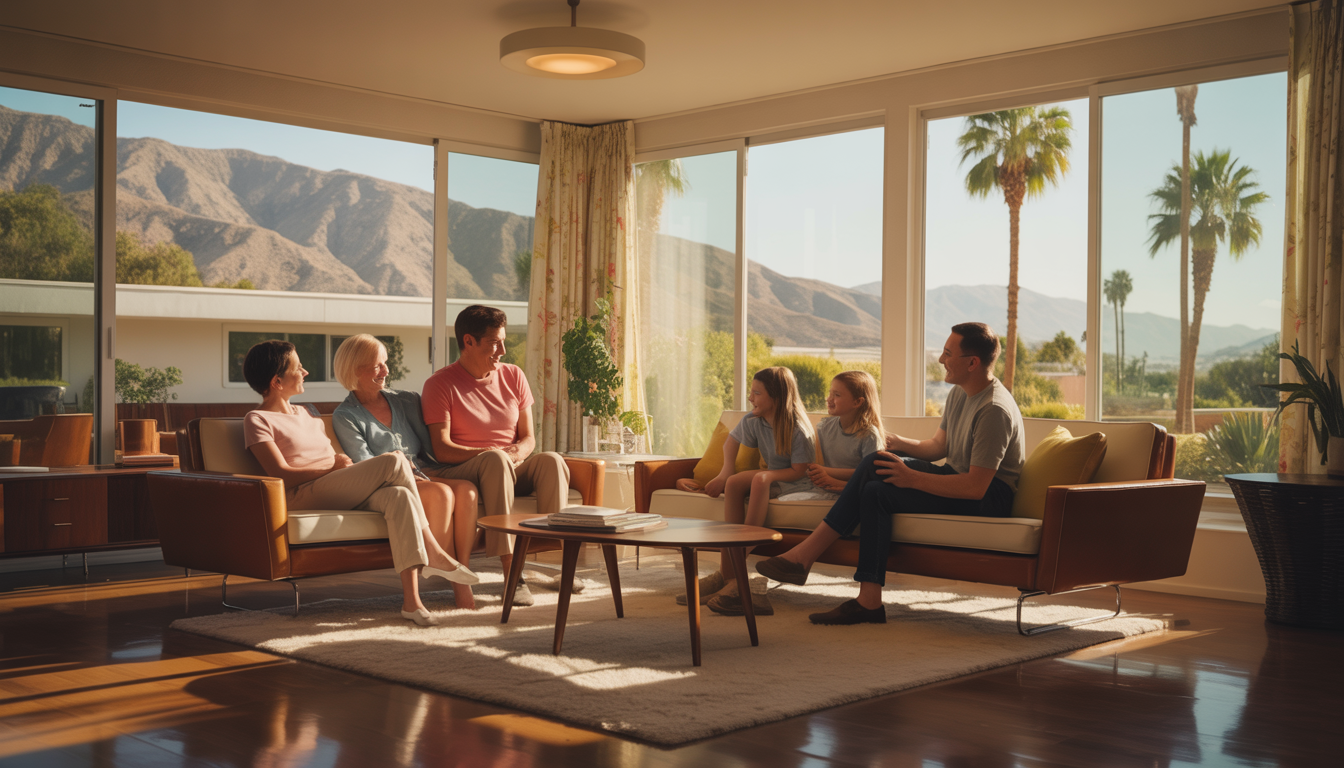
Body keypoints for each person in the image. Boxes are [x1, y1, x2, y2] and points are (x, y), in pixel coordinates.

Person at [755, 323, 1025, 625]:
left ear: (972, 362)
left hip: (989, 497)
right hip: (955, 477)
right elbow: (938, 447)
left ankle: (804, 556)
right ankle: (869, 602)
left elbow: (976, 487)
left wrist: (912, 478)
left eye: (948, 354)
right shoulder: (961, 394)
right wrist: (895, 442)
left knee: (873, 466)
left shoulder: (993, 410)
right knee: (874, 484)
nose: (940, 360)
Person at [240, 340, 477, 627]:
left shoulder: (306, 413)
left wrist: (342, 470)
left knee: (399, 496)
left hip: (336, 486)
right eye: (297, 367)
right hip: (301, 495)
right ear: (277, 381)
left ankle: (412, 602)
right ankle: (434, 551)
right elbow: (282, 474)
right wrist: (333, 466)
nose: (305, 372)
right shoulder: (257, 419)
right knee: (395, 460)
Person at [421, 305, 571, 608]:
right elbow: (442, 448)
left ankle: (565, 566)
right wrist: (493, 453)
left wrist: (518, 451)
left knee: (552, 460)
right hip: (463, 467)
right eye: (494, 343)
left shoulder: (514, 375)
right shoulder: (440, 384)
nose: (502, 350)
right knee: (495, 460)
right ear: (468, 341)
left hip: (509, 464)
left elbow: (529, 436)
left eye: (502, 341)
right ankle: (513, 575)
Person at [331, 334, 482, 610]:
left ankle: (461, 570)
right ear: (355, 369)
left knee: (468, 491)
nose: (386, 371)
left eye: (386, 363)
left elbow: (432, 450)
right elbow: (365, 464)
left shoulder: (407, 400)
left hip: (426, 471)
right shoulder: (345, 416)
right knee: (441, 494)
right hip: (391, 482)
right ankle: (457, 585)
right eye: (378, 366)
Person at [675, 366, 816, 617]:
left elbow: (799, 470)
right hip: (773, 474)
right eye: (751, 392)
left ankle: (743, 545)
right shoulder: (754, 419)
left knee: (761, 479)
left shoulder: (798, 428)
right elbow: (731, 443)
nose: (751, 398)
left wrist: (769, 475)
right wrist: (724, 473)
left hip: (797, 481)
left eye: (757, 393)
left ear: (776, 396)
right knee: (734, 483)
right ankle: (729, 576)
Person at [778, 370, 884, 501]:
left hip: (859, 487)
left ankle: (844, 487)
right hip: (827, 485)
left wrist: (827, 473)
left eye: (837, 395)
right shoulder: (824, 427)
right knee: (784, 496)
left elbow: (872, 473)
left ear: (857, 402)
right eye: (830, 393)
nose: (829, 399)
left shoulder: (869, 434)